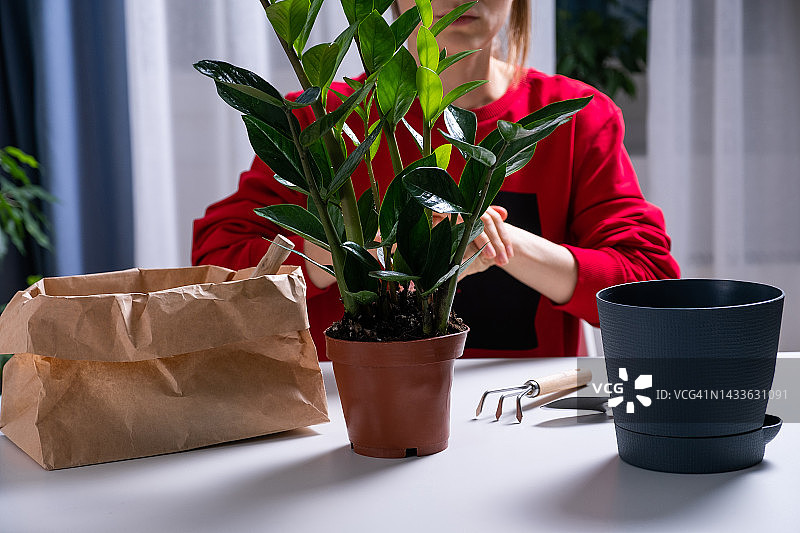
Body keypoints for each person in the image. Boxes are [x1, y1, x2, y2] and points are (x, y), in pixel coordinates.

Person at [192, 0, 680, 360]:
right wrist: (335, 254)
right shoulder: (322, 121)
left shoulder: (574, 120)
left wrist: (502, 244)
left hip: (524, 425)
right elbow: (215, 267)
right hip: (350, 420)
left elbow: (653, 286)